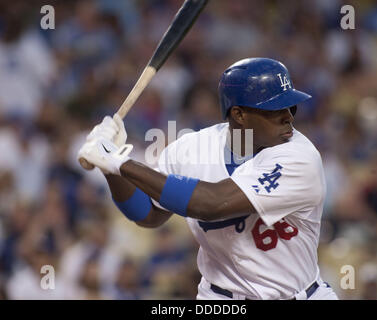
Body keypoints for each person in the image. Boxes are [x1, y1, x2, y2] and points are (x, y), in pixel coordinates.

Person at [78, 57, 338, 300]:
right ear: (238, 114)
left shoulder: (300, 157)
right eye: (274, 108)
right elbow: (147, 214)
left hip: (299, 293)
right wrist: (110, 167)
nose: (288, 117)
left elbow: (211, 203)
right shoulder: (191, 149)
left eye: (290, 106)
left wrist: (119, 162)